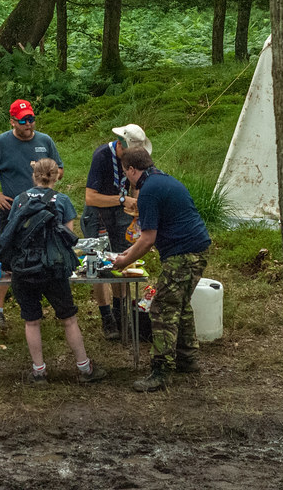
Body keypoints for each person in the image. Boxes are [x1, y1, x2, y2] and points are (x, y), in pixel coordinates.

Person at [0, 158, 107, 387]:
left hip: (24, 269)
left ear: (33, 176)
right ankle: (84, 368)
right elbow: (68, 239)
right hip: (53, 268)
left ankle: (39, 372)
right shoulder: (63, 201)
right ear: (57, 176)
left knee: (31, 321)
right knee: (69, 319)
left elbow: (13, 233)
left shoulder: (20, 200)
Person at [111, 147, 211, 392]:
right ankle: (187, 358)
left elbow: (148, 239)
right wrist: (128, 253)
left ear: (132, 169)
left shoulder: (148, 191)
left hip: (183, 254)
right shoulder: (163, 180)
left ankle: (161, 370)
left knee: (163, 308)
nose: (126, 177)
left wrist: (124, 261)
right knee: (180, 304)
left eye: (125, 172)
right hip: (198, 249)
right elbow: (147, 236)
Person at [0, 99, 63, 332]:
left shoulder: (45, 141)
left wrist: (46, 173)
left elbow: (60, 169)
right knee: (5, 260)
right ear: (12, 121)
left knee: (44, 257)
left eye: (31, 119)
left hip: (43, 211)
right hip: (12, 212)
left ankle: (41, 306)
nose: (28, 124)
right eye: (23, 121)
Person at [81, 124, 150, 340]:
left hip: (120, 214)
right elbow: (90, 197)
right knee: (98, 265)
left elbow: (137, 184)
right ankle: (106, 317)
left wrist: (136, 201)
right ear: (120, 145)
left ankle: (121, 314)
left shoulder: (133, 160)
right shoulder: (102, 156)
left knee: (123, 260)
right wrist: (122, 199)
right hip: (98, 213)